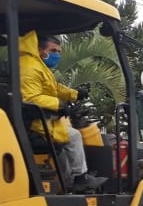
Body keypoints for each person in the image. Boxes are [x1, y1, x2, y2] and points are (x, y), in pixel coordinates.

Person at [19, 31, 107, 193]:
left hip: (36, 120)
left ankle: (68, 181)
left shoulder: (35, 65)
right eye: (53, 51)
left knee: (67, 137)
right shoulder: (30, 67)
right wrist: (59, 105)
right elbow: (30, 98)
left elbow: (53, 88)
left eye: (59, 52)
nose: (57, 55)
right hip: (34, 124)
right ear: (40, 49)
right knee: (73, 136)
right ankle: (79, 178)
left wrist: (74, 94)